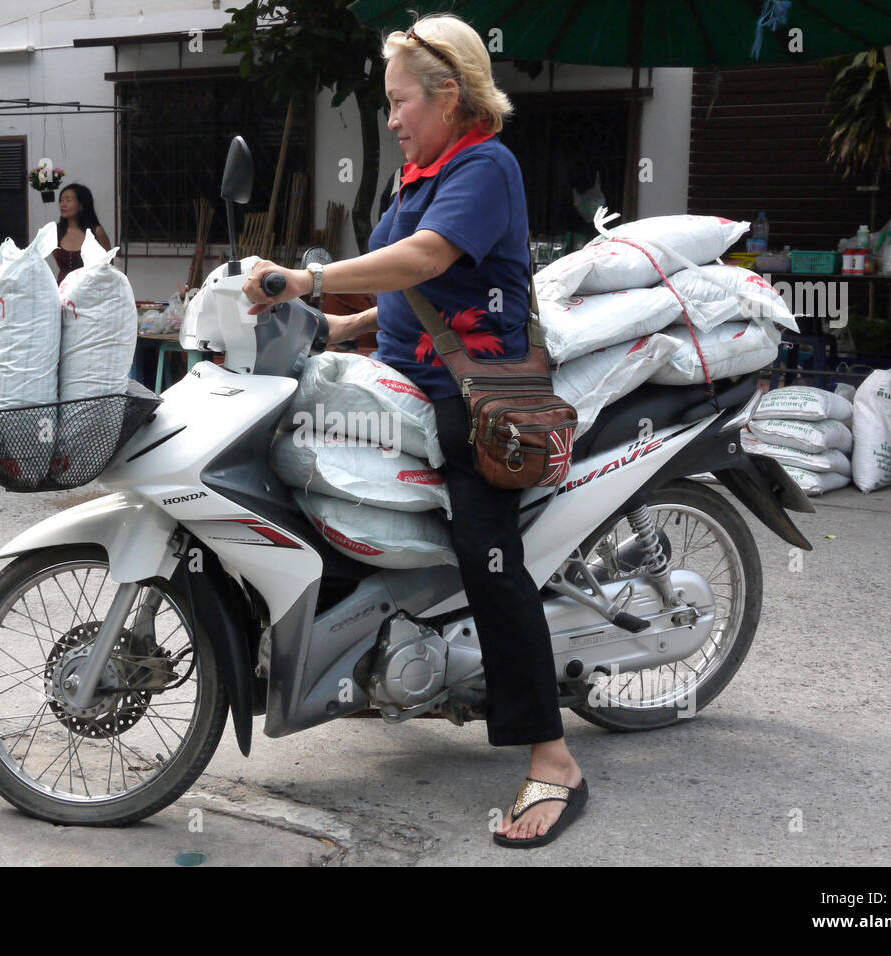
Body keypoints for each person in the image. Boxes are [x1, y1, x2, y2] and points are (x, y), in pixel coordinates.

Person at [243, 14, 586, 849]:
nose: (390, 118)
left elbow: (427, 260)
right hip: (400, 380)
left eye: (399, 102)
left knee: (488, 553)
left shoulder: (485, 166)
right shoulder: (417, 171)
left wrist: (309, 277)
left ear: (449, 95)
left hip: (472, 403)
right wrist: (338, 325)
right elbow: (405, 297)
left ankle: (554, 757)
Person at [52, 183, 112, 285]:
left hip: (90, 291)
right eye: (61, 200)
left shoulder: (96, 232)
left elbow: (108, 266)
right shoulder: (55, 231)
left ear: (81, 205)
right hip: (63, 291)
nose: (63, 204)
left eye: (68, 200)